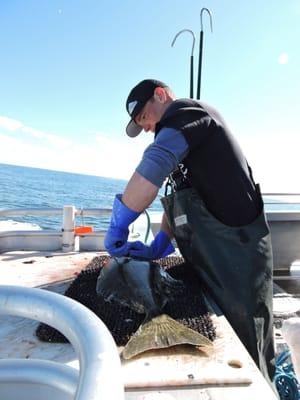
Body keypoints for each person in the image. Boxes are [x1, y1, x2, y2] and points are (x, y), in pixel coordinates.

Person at [104, 79, 275, 382]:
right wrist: (161, 241)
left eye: (144, 116)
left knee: (250, 347)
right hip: (210, 257)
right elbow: (182, 192)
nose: (145, 127)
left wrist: (120, 219)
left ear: (161, 95)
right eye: (139, 123)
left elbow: (152, 169)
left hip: (239, 253)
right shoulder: (178, 138)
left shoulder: (187, 113)